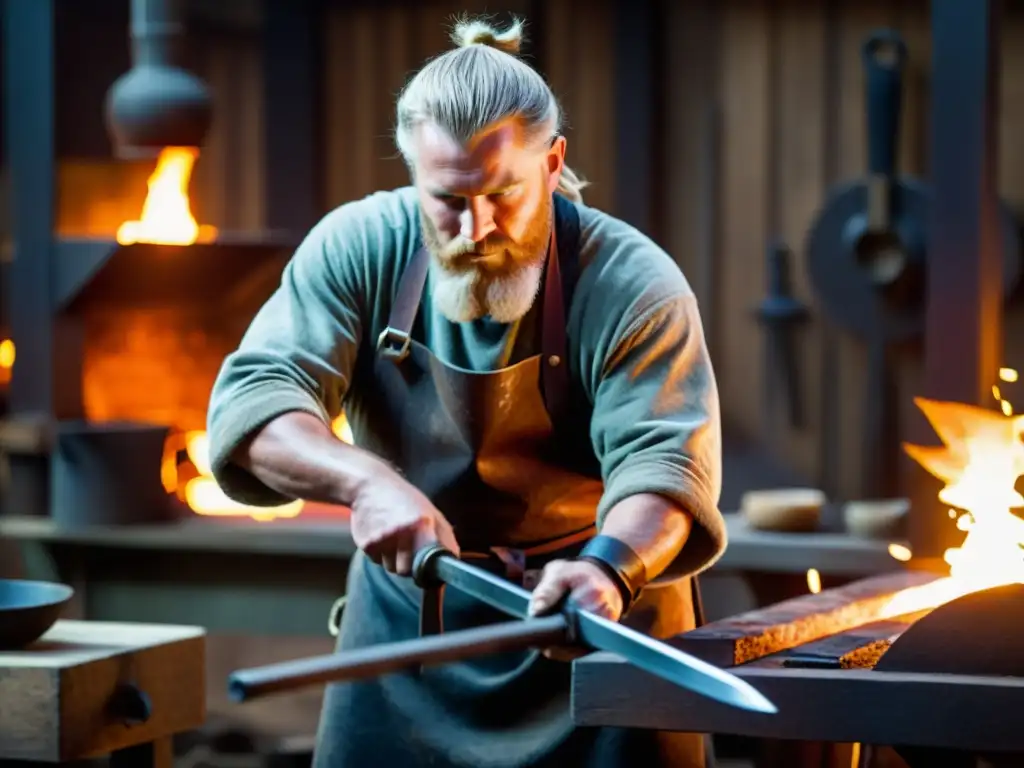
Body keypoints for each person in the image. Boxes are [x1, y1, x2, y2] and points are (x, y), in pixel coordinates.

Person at [206, 14, 726, 768]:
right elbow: (256, 403)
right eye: (447, 198)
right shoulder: (360, 246)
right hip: (410, 624)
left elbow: (666, 468)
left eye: (502, 194)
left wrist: (610, 568)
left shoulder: (633, 283)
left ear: (553, 164)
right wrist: (367, 482)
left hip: (593, 623)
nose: (475, 227)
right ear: (413, 170)